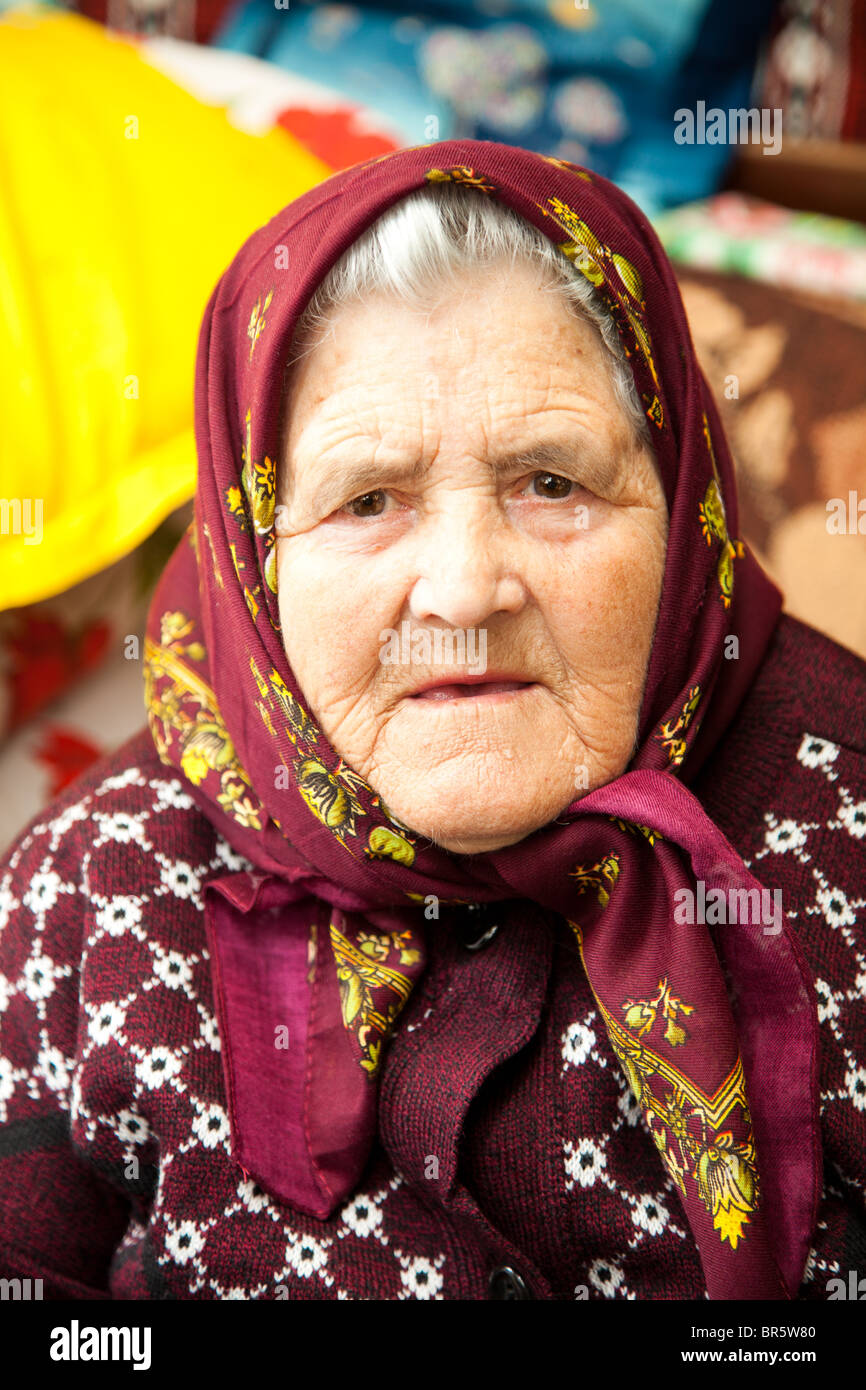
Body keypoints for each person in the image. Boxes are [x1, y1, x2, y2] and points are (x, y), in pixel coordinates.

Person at [0, 140, 863, 1301]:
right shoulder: (92, 881)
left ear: (680, 499)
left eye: (550, 481)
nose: (462, 589)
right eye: (367, 501)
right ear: (256, 556)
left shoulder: (844, 814)